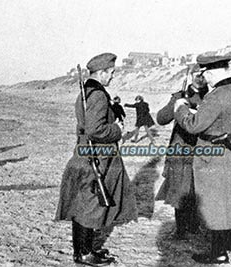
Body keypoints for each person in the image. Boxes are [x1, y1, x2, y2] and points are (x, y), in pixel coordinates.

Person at [55, 53, 138, 266]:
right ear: (101, 73)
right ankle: (83, 253)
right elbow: (95, 129)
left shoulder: (87, 92)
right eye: (110, 73)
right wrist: (117, 130)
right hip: (96, 157)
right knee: (90, 206)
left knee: (87, 204)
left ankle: (87, 250)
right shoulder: (98, 95)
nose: (112, 77)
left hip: (87, 154)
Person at [174, 54, 231, 264]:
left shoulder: (216, 96)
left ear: (209, 73)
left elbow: (193, 125)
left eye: (204, 74)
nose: (204, 79)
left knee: (215, 202)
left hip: (214, 154)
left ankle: (218, 252)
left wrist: (180, 107)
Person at [155, 70, 209, 239]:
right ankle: (181, 228)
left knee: (198, 189)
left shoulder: (212, 96)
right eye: (197, 74)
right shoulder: (179, 95)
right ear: (190, 76)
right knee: (179, 188)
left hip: (202, 149)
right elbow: (161, 119)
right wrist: (176, 104)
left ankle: (195, 225)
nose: (200, 78)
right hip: (180, 149)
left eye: (203, 74)